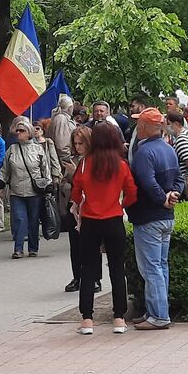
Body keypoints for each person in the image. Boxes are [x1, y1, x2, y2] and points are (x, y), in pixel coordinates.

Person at [70, 123, 138, 335]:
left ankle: (87, 320)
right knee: (118, 269)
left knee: (88, 269)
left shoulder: (84, 164)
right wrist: (120, 204)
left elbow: (75, 193)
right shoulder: (121, 164)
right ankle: (119, 318)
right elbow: (132, 193)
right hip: (114, 220)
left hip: (90, 221)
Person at [128, 109, 182, 330]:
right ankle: (155, 311)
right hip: (166, 216)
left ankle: (158, 316)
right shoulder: (168, 149)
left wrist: (162, 199)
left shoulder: (143, 153)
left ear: (143, 127)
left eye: (138, 123)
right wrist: (173, 195)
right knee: (160, 266)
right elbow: (180, 177)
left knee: (151, 268)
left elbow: (148, 183)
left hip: (149, 216)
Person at [4, 116, 55, 260]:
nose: (18, 133)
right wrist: (2, 181)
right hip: (16, 190)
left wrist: (49, 182)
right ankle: (18, 249)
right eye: (17, 130)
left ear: (29, 132)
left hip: (35, 190)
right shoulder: (12, 149)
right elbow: (5, 168)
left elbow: (45, 168)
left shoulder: (38, 149)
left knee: (33, 219)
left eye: (22, 130)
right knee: (19, 219)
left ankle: (33, 248)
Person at [62, 126, 92, 294]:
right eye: (76, 143)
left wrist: (75, 174)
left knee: (89, 244)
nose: (78, 147)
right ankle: (77, 276)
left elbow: (90, 184)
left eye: (81, 143)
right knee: (74, 243)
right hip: (74, 204)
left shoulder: (93, 159)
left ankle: (94, 278)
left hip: (89, 205)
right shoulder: (74, 159)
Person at [48, 95, 75, 160]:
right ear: (70, 108)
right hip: (63, 160)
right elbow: (61, 145)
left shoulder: (61, 118)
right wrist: (67, 159)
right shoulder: (61, 119)